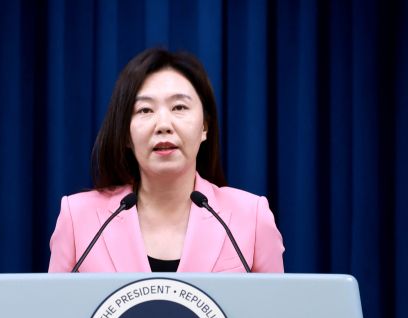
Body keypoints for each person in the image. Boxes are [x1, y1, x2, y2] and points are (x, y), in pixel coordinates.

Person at [48, 48, 284, 273]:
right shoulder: (78, 219)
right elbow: (55, 303)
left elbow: (275, 302)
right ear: (126, 134)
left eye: (179, 107)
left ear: (204, 127)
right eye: (145, 110)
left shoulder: (251, 217)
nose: (163, 125)